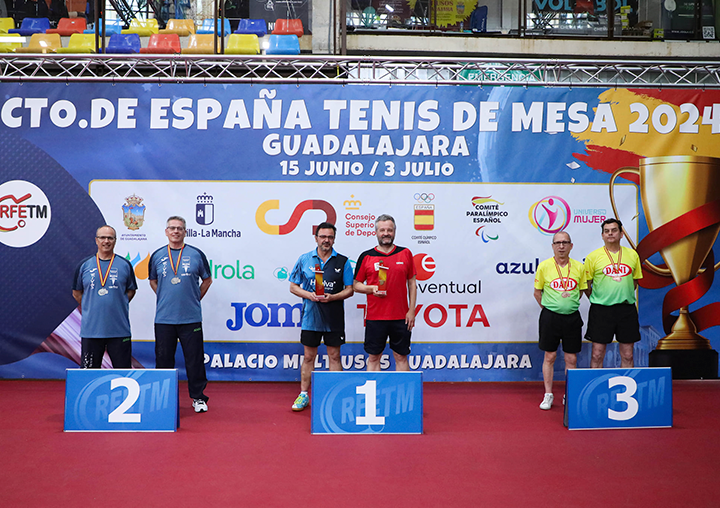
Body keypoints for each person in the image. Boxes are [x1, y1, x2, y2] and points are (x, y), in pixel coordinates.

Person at [149, 216, 213, 413]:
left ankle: (198, 398)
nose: (176, 231)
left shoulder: (196, 254)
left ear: (185, 232)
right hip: (164, 319)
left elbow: (207, 280)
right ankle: (164, 398)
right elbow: (152, 281)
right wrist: (165, 298)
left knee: (194, 359)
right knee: (163, 360)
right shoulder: (158, 255)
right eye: (172, 228)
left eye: (180, 228)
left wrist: (193, 299)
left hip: (190, 318)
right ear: (166, 232)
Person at [288, 222, 354, 411]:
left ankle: (337, 395)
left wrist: (333, 297)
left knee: (334, 355)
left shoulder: (342, 261)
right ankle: (303, 395)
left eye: (330, 237)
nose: (326, 240)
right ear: (316, 238)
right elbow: (293, 286)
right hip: (311, 317)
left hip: (334, 317)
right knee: (309, 357)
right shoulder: (305, 259)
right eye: (323, 236)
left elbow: (349, 290)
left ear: (334, 239)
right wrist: (309, 295)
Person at [353, 214, 417, 371]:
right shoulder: (366, 256)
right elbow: (356, 285)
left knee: (401, 356)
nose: (386, 233)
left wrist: (411, 310)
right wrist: (371, 289)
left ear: (394, 231)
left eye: (389, 230)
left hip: (401, 316)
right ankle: (374, 394)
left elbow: (412, 283)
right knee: (374, 357)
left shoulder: (405, 253)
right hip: (375, 317)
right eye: (382, 230)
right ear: (376, 232)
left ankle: (402, 394)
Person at [533, 231, 587, 410]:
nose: (561, 246)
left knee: (571, 358)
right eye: (558, 243)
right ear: (553, 246)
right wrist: (551, 307)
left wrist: (566, 304)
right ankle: (548, 394)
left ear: (571, 246)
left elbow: (580, 292)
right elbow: (537, 292)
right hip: (550, 318)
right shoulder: (544, 266)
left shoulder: (579, 267)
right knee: (550, 356)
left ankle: (569, 394)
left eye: (565, 242)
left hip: (572, 318)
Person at [72, 225, 137, 368]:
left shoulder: (125, 265)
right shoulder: (84, 265)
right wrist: (91, 306)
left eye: (110, 238)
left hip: (119, 330)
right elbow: (76, 292)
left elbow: (131, 291)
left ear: (115, 241)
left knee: (122, 374)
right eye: (102, 237)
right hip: (91, 331)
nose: (106, 241)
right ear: (96, 240)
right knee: (89, 374)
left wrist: (117, 303)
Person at [584, 218, 643, 368]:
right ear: (602, 235)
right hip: (601, 309)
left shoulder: (632, 255)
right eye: (606, 231)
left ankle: (627, 389)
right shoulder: (593, 257)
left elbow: (635, 281)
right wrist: (600, 297)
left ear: (622, 233)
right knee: (597, 354)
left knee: (628, 355)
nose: (610, 234)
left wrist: (622, 293)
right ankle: (596, 390)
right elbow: (586, 284)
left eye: (614, 230)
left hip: (626, 309)